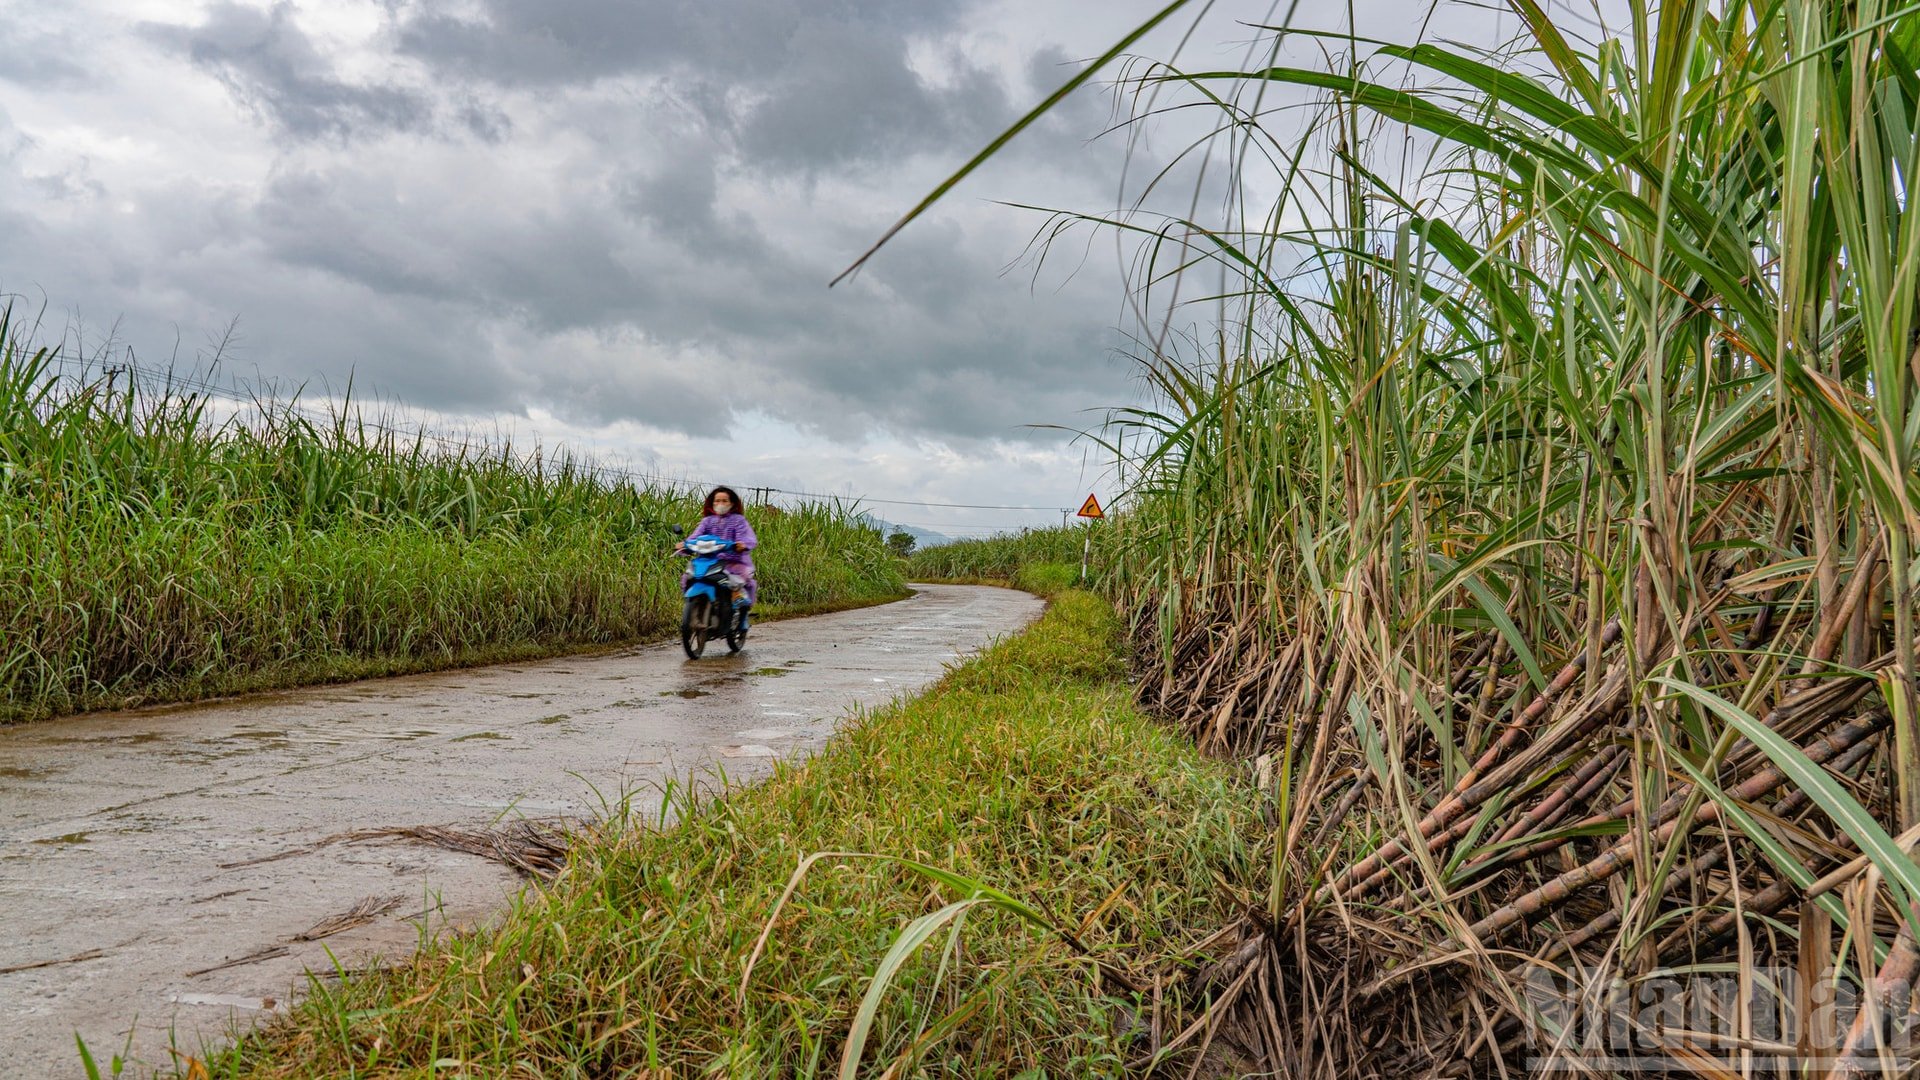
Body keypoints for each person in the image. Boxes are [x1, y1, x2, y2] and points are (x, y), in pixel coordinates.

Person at [682, 485, 758, 623]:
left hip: (733, 562)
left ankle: (740, 606)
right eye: (717, 501)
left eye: (724, 501)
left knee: (743, 577)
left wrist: (742, 544)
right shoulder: (707, 521)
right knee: (689, 577)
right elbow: (695, 536)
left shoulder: (738, 520)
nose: (720, 504)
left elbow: (748, 537)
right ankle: (695, 605)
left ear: (732, 503)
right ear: (712, 503)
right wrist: (685, 544)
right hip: (710, 560)